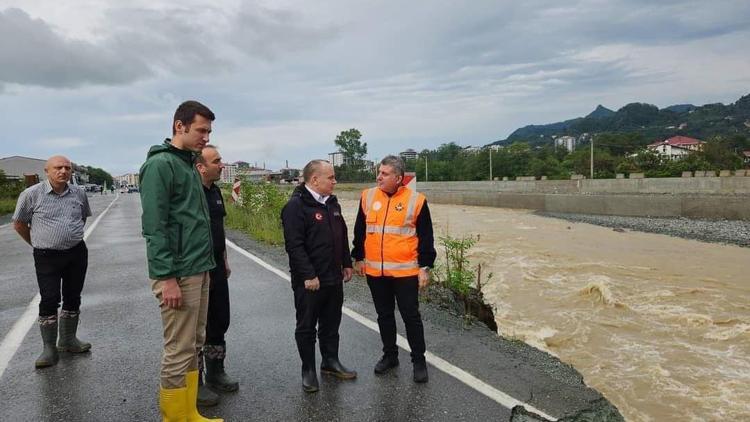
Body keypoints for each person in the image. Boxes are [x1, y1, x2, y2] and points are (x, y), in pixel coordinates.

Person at [139, 100, 222, 422]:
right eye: (201, 130)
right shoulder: (161, 165)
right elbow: (155, 228)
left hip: (198, 268)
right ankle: (174, 418)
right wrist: (167, 277)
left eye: (209, 131)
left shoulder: (187, 163)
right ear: (179, 126)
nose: (206, 136)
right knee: (177, 349)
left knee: (193, 344)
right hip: (179, 273)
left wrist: (210, 267)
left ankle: (189, 413)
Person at [351, 155, 436, 383]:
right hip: (376, 273)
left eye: (385, 173)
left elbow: (426, 238)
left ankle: (419, 361)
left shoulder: (416, 201)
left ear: (398, 178)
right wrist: (358, 257)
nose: (379, 177)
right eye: (379, 172)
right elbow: (360, 231)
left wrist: (424, 267)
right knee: (384, 315)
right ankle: (390, 356)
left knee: (411, 317)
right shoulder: (367, 197)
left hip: (405, 273)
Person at [281, 160, 356, 393]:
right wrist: (309, 275)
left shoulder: (332, 204)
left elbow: (341, 235)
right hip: (310, 282)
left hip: (333, 277)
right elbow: (294, 246)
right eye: (331, 177)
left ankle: (330, 362)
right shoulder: (296, 207)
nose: (335, 181)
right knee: (307, 326)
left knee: (331, 323)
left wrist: (346, 262)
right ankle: (308, 370)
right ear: (314, 180)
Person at [12, 155, 92, 369]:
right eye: (58, 167)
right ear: (47, 171)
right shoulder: (31, 194)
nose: (63, 171)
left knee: (73, 295)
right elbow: (19, 224)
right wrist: (37, 242)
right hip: (46, 256)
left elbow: (82, 217)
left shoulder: (79, 193)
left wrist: (69, 235)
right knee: (49, 298)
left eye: (67, 168)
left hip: (76, 253)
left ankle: (68, 340)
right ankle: (48, 348)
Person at [194, 145, 239, 407]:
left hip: (217, 267)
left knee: (219, 320)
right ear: (201, 166)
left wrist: (224, 260)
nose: (222, 165)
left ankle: (215, 371)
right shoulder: (191, 193)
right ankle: (195, 381)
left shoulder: (216, 192)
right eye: (217, 161)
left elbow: (218, 229)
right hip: (196, 269)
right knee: (196, 328)